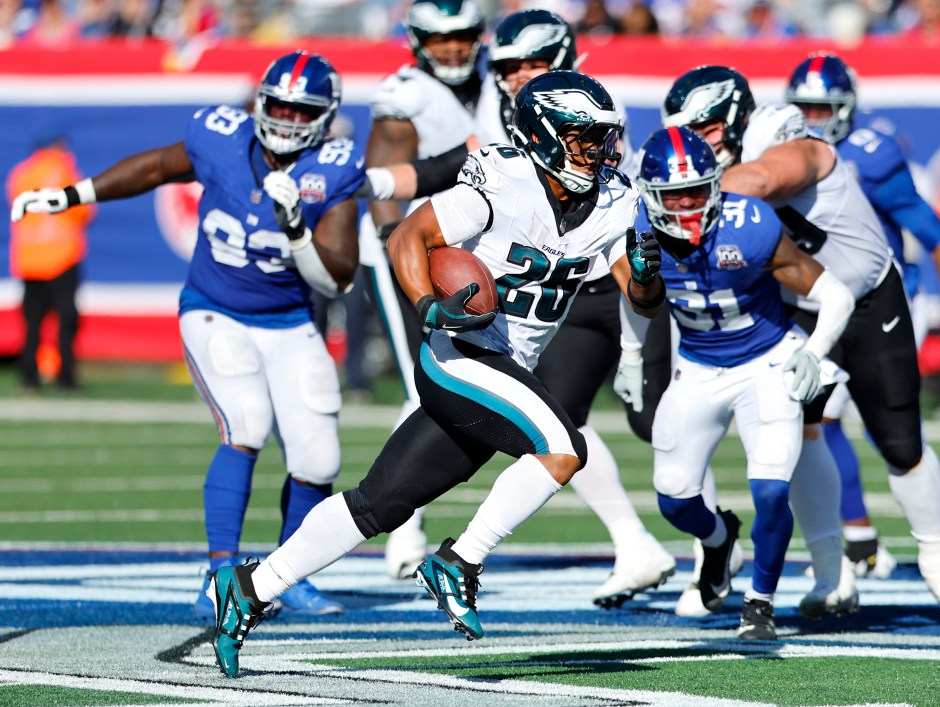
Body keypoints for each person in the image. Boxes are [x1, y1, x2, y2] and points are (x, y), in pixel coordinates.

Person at [204, 71, 667, 678]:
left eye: (601, 139)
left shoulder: (612, 200)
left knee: (378, 505)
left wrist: (648, 271)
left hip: (507, 368)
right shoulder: (502, 182)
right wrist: (427, 305)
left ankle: (252, 585)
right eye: (584, 139)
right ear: (546, 138)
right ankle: (461, 561)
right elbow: (410, 234)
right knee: (561, 447)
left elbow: (641, 299)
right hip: (462, 354)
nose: (598, 152)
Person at [11, 50, 363, 620]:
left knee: (319, 457)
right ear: (259, 104)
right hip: (215, 309)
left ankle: (289, 574)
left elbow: (338, 276)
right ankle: (220, 573)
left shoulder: (334, 169)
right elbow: (154, 168)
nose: (289, 121)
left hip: (289, 319)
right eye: (280, 107)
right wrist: (72, 195)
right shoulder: (222, 139)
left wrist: (299, 228)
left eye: (304, 112)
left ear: (326, 116)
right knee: (246, 422)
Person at [363, 8, 677, 607]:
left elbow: (603, 207)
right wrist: (376, 185)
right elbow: (448, 167)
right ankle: (632, 542)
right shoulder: (495, 107)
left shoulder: (589, 119)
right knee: (556, 423)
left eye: (534, 63)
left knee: (623, 422)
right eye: (508, 65)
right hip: (529, 283)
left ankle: (694, 539)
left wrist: (640, 294)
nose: (517, 75)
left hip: (590, 271)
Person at [715, 97, 940, 629]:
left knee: (901, 443)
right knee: (803, 430)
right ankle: (830, 569)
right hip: (801, 309)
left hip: (867, 303)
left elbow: (765, 179)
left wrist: (688, 195)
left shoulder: (808, 153)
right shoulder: (731, 167)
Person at [636, 125, 855, 639]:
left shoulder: (749, 221)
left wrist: (814, 352)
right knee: (673, 495)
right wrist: (629, 353)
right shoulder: (636, 227)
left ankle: (760, 602)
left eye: (697, 190)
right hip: (697, 365)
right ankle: (718, 540)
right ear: (651, 196)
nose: (688, 205)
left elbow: (837, 295)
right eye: (675, 195)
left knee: (773, 489)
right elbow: (635, 296)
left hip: (766, 362)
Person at [785, 52, 940, 581]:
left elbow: (937, 236)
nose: (812, 119)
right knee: (818, 418)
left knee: (891, 429)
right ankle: (860, 537)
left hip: (885, 303)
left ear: (845, 107)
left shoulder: (870, 156)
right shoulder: (782, 154)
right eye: (803, 107)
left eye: (821, 107)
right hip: (824, 303)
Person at [360, 0, 488, 579]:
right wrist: (403, 257)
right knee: (428, 381)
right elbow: (385, 185)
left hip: (467, 255)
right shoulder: (405, 94)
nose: (454, 48)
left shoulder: (494, 85)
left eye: (462, 35)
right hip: (414, 254)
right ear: (416, 41)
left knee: (446, 380)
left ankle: (400, 521)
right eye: (440, 39)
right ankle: (399, 525)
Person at [7, 133, 94, 391]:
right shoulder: (63, 170)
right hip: (62, 256)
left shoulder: (20, 174)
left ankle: (28, 377)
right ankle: (65, 377)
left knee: (32, 322)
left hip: (29, 259)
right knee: (66, 320)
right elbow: (83, 210)